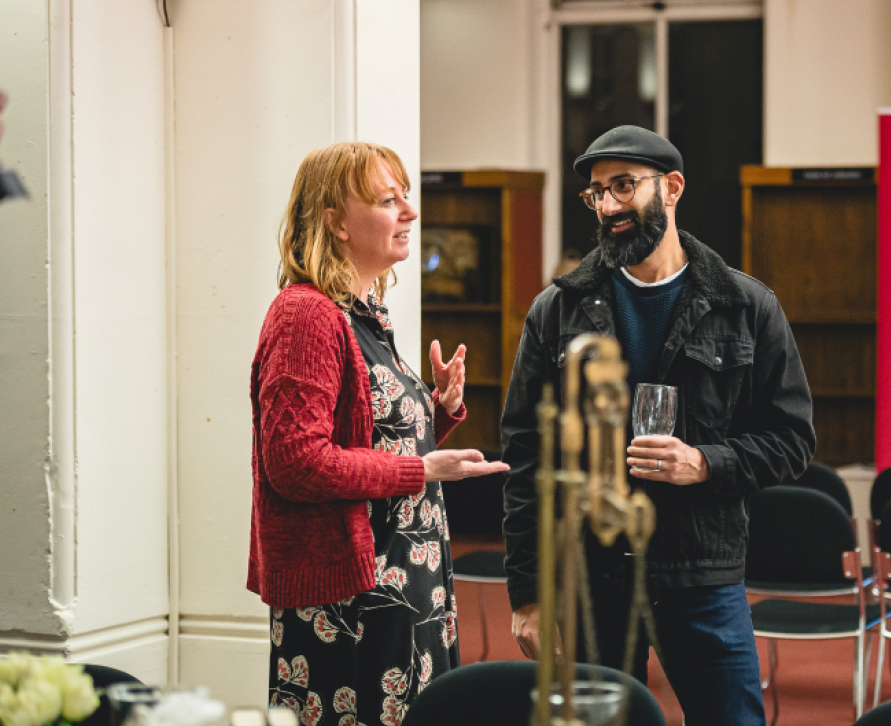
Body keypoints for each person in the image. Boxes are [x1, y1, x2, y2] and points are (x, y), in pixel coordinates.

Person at [500, 126, 815, 726]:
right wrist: (530, 595)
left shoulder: (746, 306)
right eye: (597, 193)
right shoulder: (557, 310)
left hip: (702, 574)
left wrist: (705, 463)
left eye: (625, 186)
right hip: (592, 577)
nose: (610, 205)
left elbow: (793, 440)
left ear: (671, 189)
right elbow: (527, 461)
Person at [248, 141, 508, 726]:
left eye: (405, 198)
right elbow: (294, 460)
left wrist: (434, 412)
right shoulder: (306, 313)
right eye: (390, 200)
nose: (411, 214)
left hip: (401, 586)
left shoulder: (363, 313)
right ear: (336, 222)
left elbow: (368, 443)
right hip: (351, 601)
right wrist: (424, 468)